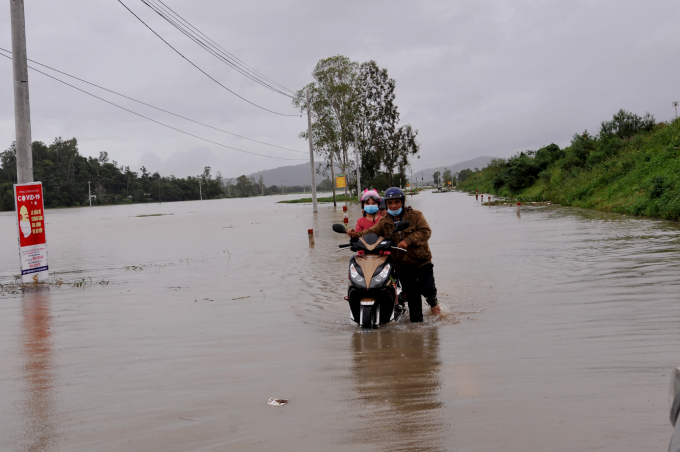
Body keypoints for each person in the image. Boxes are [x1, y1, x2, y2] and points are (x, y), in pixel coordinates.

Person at [347, 187, 440, 322]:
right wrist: (356, 235)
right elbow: (372, 231)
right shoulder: (384, 221)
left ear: (402, 202)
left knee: (428, 288)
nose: (393, 205)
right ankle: (417, 328)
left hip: (421, 261)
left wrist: (408, 241)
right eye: (390, 203)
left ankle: (433, 303)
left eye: (397, 202)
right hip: (402, 265)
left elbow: (426, 232)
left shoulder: (416, 215)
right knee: (413, 296)